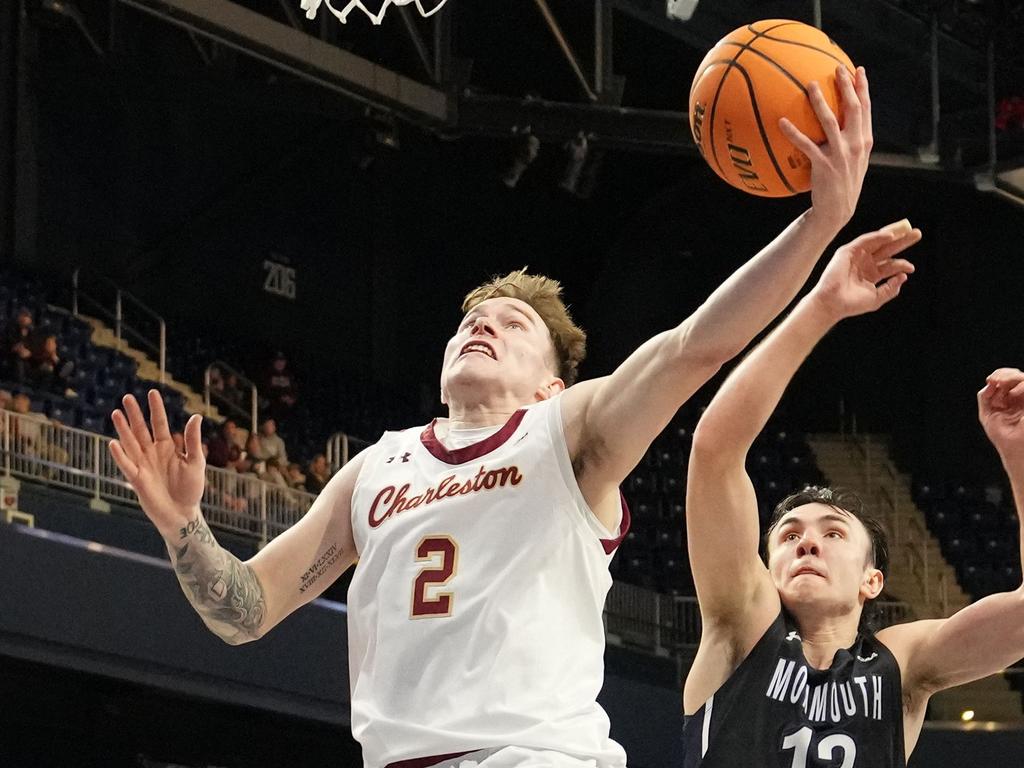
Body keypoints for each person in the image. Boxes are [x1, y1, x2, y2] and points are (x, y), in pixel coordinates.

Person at [109, 66, 875, 768]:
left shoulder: (568, 433)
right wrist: (184, 527)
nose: (483, 327)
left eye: (513, 325)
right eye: (472, 320)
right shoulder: (375, 468)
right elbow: (245, 612)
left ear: (550, 383)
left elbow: (693, 347)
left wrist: (817, 225)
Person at [682, 222, 1024, 766]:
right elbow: (715, 450)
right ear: (766, 569)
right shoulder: (739, 629)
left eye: (833, 533)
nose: (807, 544)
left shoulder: (902, 664)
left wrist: (1017, 453)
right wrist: (821, 306)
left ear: (874, 580)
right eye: (789, 536)